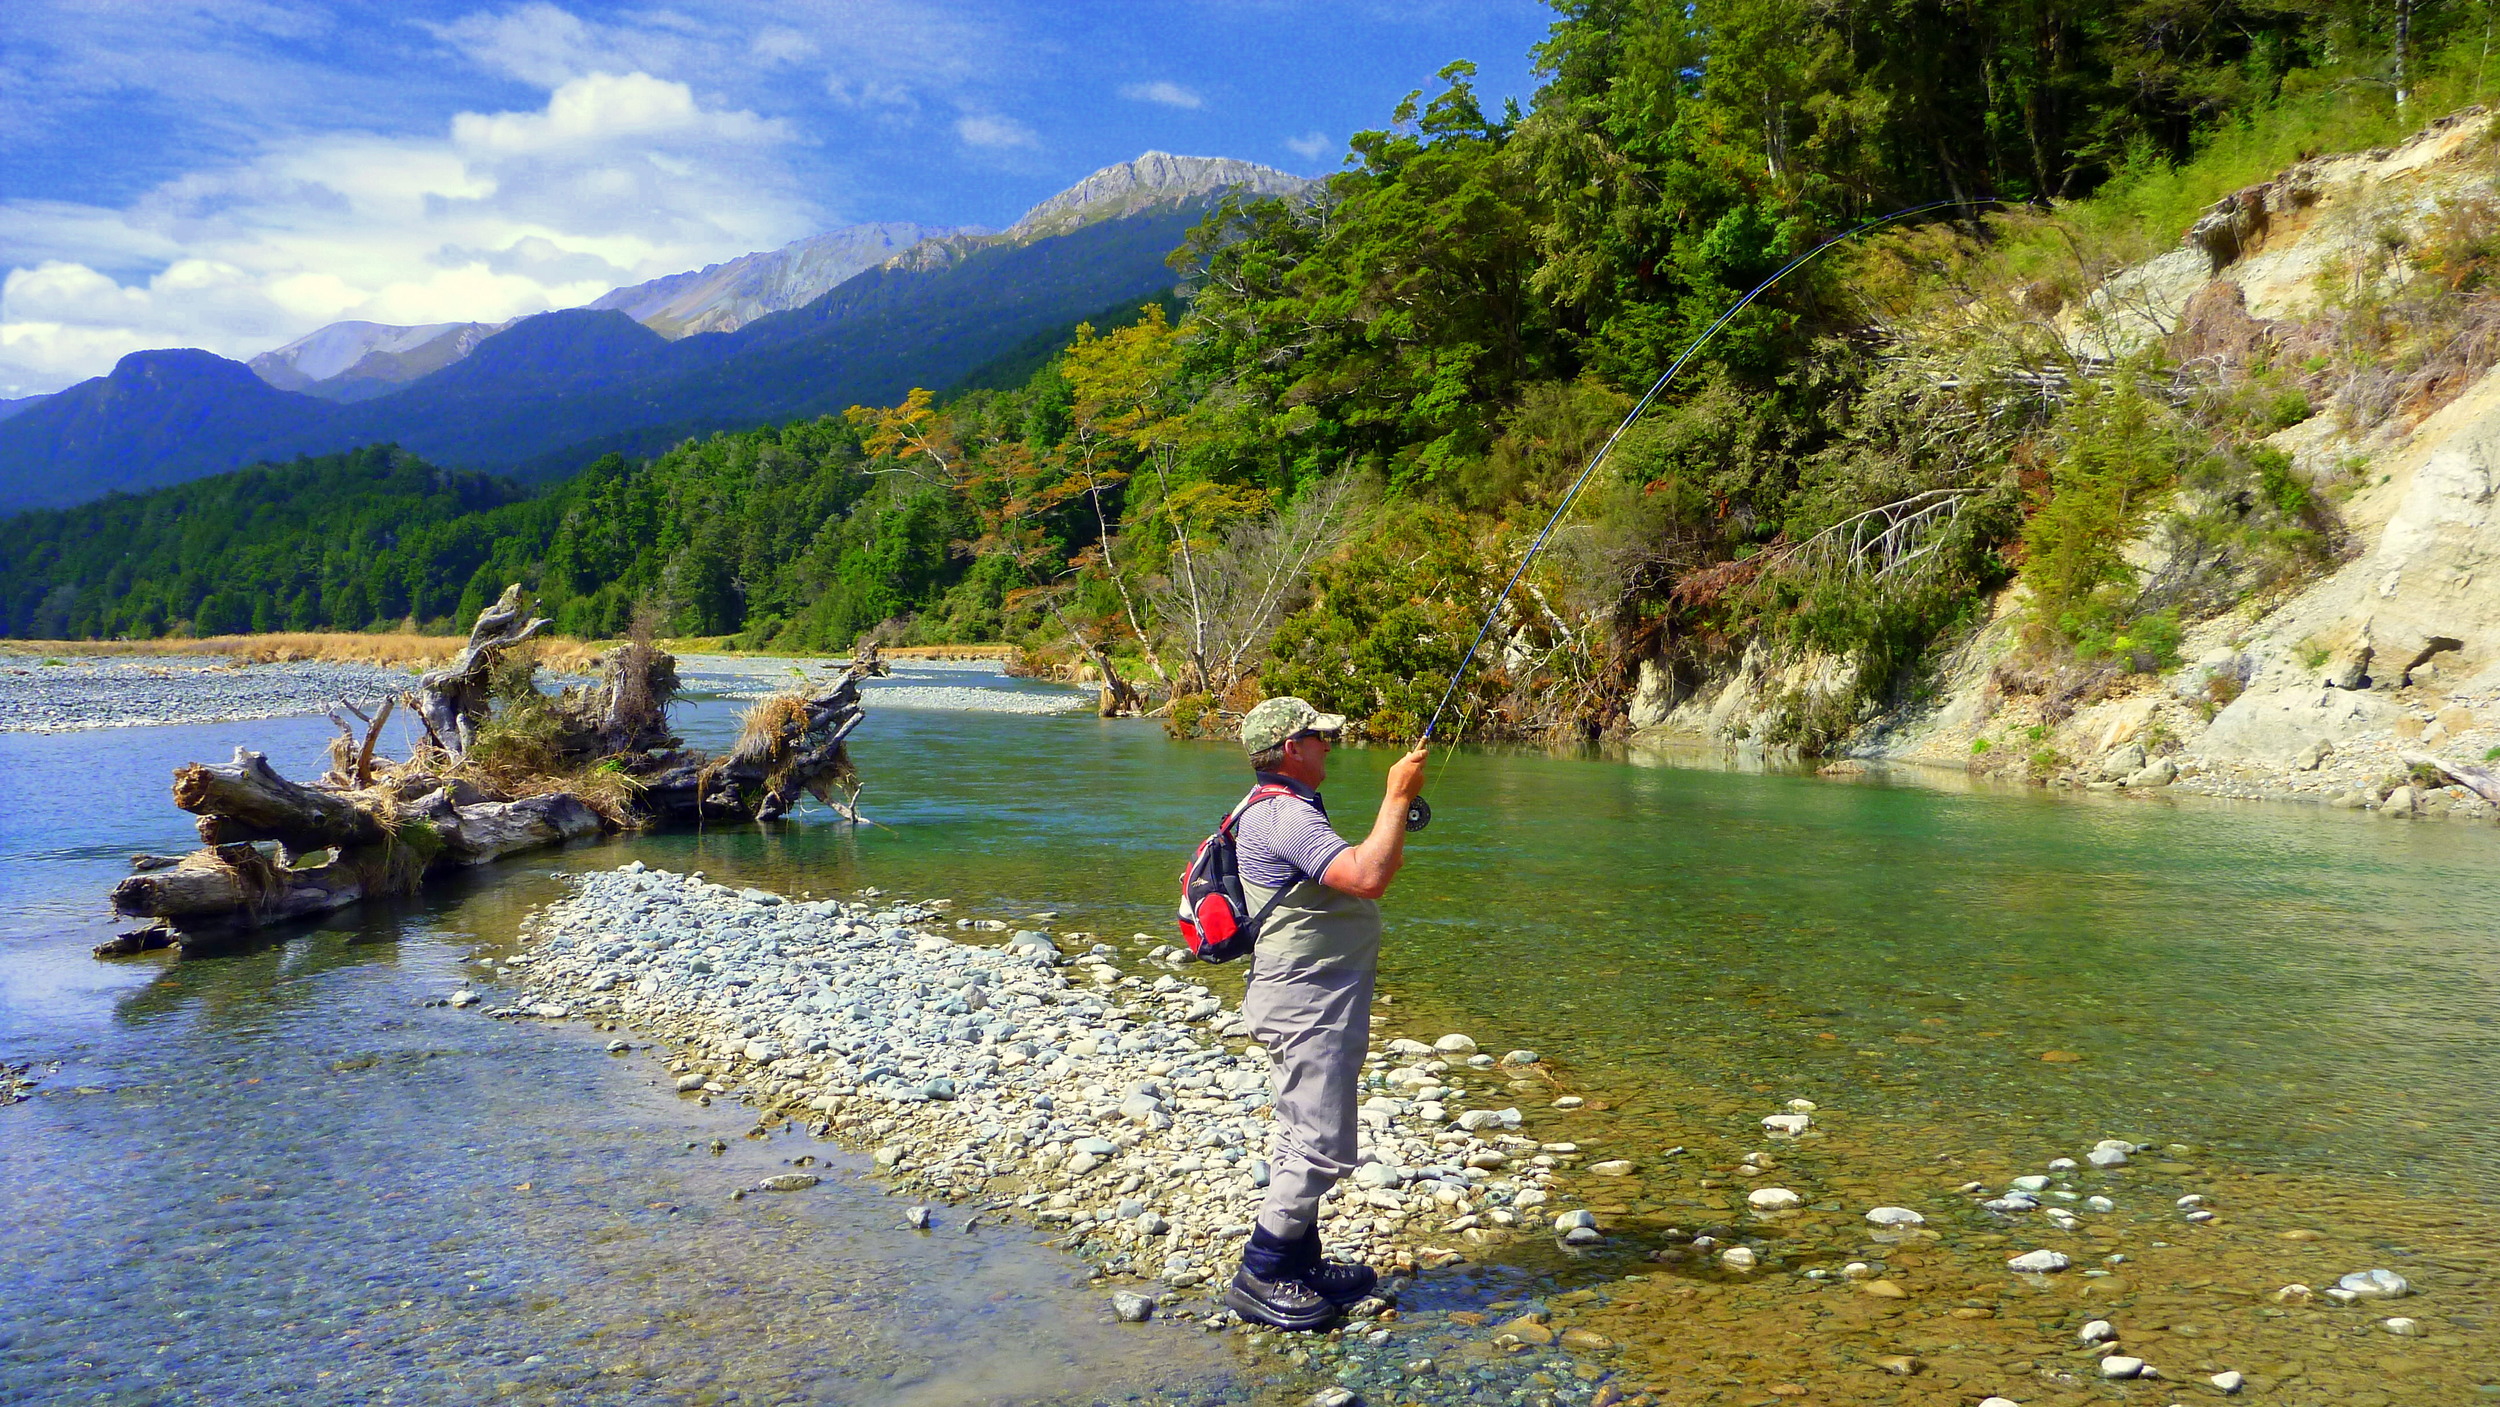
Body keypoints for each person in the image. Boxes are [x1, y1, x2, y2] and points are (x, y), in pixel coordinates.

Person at [1222, 695, 1429, 1329]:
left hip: (1314, 994)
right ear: (1291, 748)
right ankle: (1264, 1269)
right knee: (1318, 1142)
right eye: (1319, 736)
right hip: (1306, 1000)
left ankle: (1302, 1259)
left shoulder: (1279, 808)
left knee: (1298, 1126)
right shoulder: (1284, 816)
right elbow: (1367, 878)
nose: (1329, 745)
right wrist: (1395, 796)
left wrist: (1396, 819)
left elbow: (1367, 868)